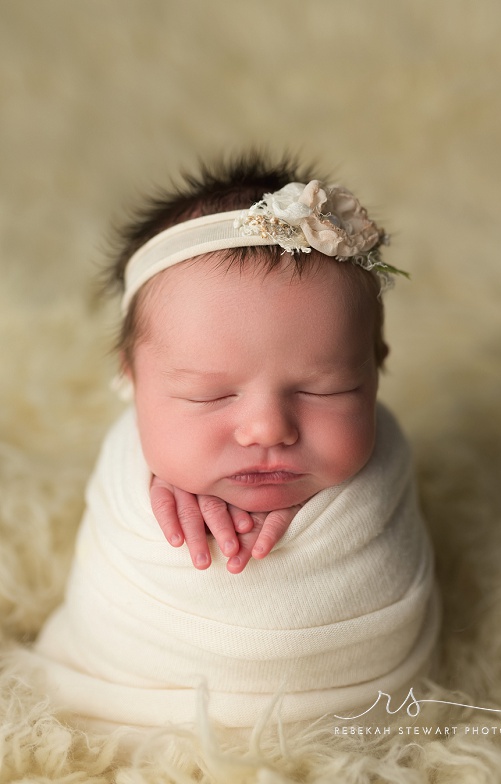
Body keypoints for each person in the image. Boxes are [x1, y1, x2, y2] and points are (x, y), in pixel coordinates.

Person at [18, 153, 439, 732]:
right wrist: (151, 477)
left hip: (355, 716)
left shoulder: (382, 462)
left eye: (326, 390)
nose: (267, 429)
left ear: (376, 368)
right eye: (208, 397)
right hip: (113, 688)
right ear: (132, 380)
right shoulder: (131, 465)